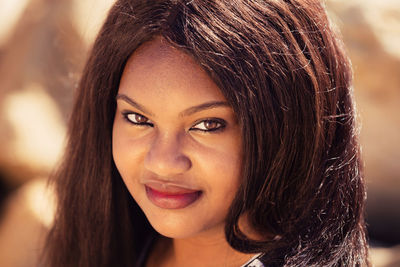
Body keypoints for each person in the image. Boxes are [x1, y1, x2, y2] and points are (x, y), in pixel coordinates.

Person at [43, 0, 370, 266]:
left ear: (287, 129)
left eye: (208, 125)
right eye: (138, 118)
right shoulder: (118, 243)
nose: (163, 163)